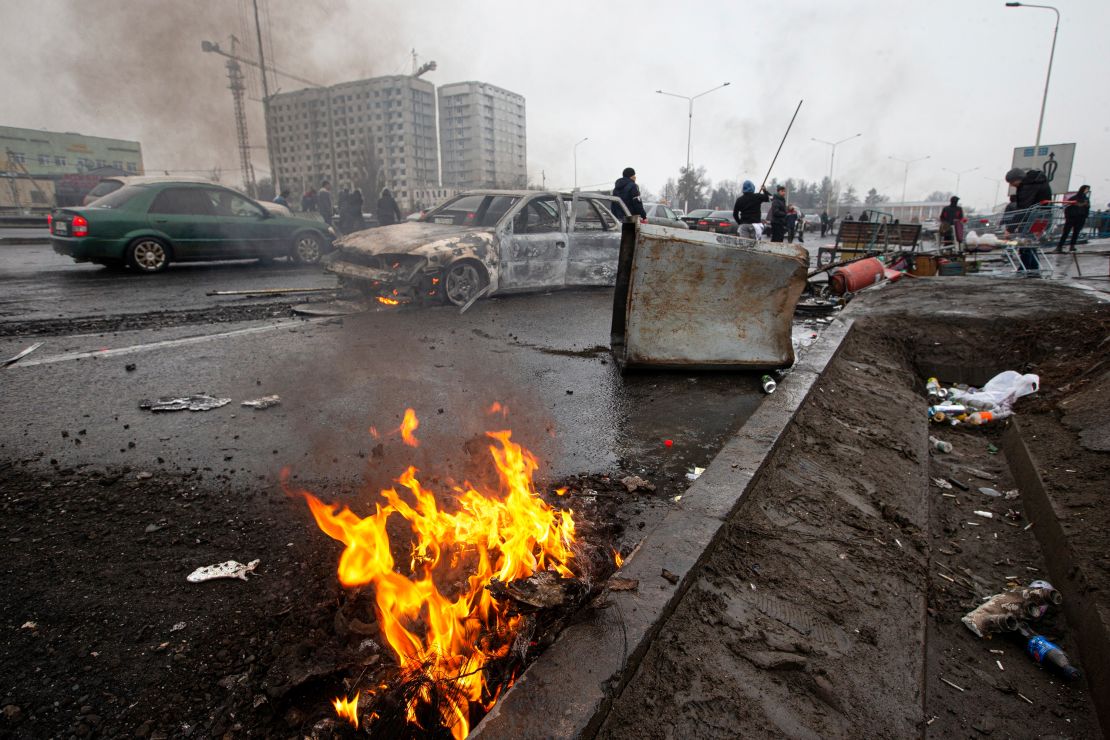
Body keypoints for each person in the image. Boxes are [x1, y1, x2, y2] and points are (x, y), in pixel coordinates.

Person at [1005, 167, 1052, 270]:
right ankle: (1033, 267)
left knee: (1025, 242)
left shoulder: (1027, 186)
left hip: (1032, 217)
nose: (1011, 185)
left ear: (1018, 178)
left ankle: (1025, 268)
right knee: (1030, 242)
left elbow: (1023, 208)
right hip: (1043, 216)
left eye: (1012, 181)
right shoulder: (1038, 181)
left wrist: (1010, 229)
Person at [1056, 185, 1091, 253]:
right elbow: (1067, 206)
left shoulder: (1086, 199)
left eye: (1088, 189)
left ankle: (1072, 246)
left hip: (1080, 217)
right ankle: (1060, 246)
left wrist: (1085, 214)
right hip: (1072, 218)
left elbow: (1087, 208)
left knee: (1076, 232)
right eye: (1086, 189)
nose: (1087, 191)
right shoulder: (1074, 198)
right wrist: (1068, 216)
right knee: (1066, 232)